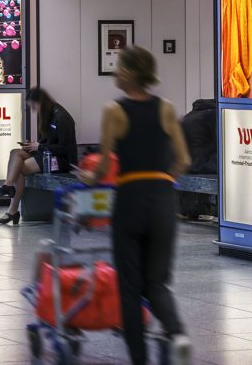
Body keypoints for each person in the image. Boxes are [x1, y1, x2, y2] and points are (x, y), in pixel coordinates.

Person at [79, 47, 192, 365]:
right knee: (157, 282)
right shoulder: (166, 108)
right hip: (163, 199)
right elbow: (184, 160)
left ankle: (140, 359)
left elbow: (102, 169)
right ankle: (177, 333)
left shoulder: (114, 110)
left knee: (129, 286)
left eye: (118, 68)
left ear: (129, 73)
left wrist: (88, 177)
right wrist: (162, 181)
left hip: (130, 199)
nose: (115, 72)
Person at [0, 88, 77, 225]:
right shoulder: (46, 115)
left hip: (61, 160)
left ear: (41, 102)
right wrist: (32, 145)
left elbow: (66, 149)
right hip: (46, 153)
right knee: (15, 152)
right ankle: (8, 187)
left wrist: (39, 147)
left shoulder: (62, 117)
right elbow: (46, 141)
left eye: (34, 106)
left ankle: (12, 209)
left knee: (19, 169)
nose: (33, 109)